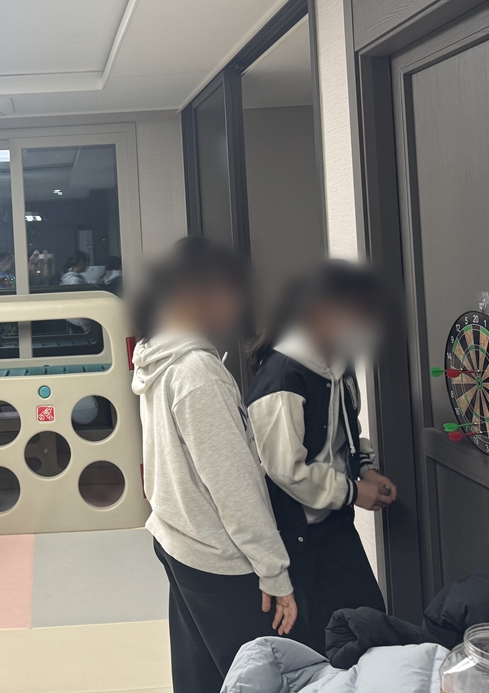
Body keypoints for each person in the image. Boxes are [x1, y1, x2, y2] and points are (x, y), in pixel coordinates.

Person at [132, 236, 297, 693]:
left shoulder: (157, 353)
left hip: (177, 538)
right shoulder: (197, 373)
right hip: (218, 558)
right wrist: (274, 573)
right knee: (255, 679)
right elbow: (234, 487)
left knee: (200, 676)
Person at [244, 260, 397, 654]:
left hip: (333, 522)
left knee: (370, 624)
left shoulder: (339, 365)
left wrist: (366, 469)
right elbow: (285, 470)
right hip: (293, 537)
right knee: (313, 645)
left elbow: (347, 431)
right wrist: (353, 492)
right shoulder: (282, 377)